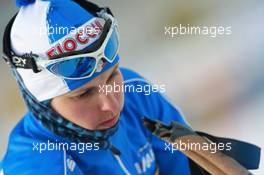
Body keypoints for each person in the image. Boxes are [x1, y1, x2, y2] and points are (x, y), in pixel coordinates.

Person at [0, 0, 192, 174]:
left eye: (112, 77)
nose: (111, 105)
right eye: (84, 93)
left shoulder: (135, 92)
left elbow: (187, 166)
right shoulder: (35, 166)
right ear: (41, 102)